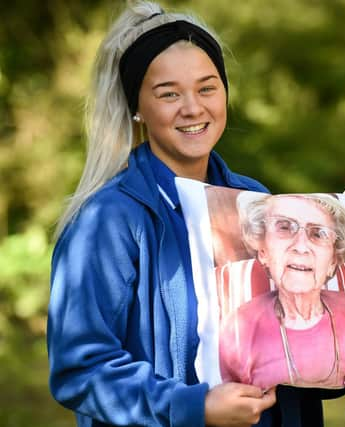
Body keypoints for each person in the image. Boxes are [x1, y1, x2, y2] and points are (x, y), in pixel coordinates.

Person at [47, 2, 282, 426]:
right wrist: (195, 408)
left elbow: (297, 338)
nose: (193, 108)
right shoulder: (106, 221)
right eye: (169, 93)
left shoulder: (257, 201)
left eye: (207, 88)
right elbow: (79, 369)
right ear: (137, 106)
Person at [218, 194, 345, 389]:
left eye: (318, 234)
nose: (301, 247)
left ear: (333, 261)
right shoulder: (239, 326)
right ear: (263, 252)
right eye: (284, 228)